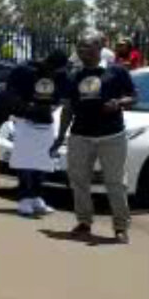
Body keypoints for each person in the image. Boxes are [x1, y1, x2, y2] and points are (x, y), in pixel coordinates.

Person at [52, 35, 139, 244]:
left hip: (112, 136)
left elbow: (133, 96)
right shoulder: (74, 75)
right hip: (80, 136)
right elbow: (68, 109)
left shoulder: (116, 71)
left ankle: (120, 227)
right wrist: (61, 136)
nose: (82, 49)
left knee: (115, 183)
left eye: (87, 46)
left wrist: (119, 103)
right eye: (79, 46)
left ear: (100, 47)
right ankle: (84, 222)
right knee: (79, 181)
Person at [6, 50, 70, 217]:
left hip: (46, 121)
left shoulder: (60, 74)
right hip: (25, 121)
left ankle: (36, 197)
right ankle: (24, 198)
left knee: (42, 162)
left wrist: (54, 106)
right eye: (55, 70)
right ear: (48, 63)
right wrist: (29, 108)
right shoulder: (24, 71)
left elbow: (63, 95)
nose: (56, 74)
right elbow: (11, 95)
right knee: (25, 162)